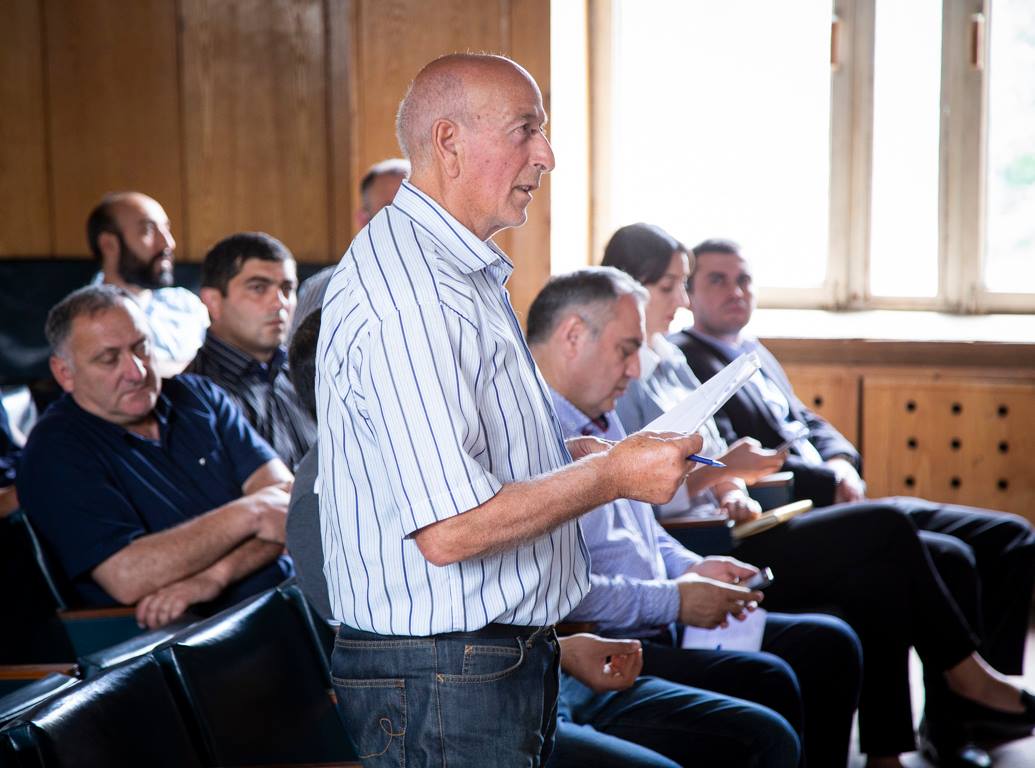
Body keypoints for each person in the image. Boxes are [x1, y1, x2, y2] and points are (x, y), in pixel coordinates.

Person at [315, 53, 703, 766]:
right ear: (449, 143)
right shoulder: (415, 295)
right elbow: (450, 528)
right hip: (444, 675)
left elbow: (467, 461)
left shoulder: (454, 269)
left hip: (479, 662)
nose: (546, 155)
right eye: (525, 129)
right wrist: (609, 477)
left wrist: (572, 461)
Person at [603, 222, 1035, 768]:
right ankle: (967, 678)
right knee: (886, 530)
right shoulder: (627, 375)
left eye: (682, 285)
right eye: (671, 287)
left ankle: (890, 752)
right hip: (708, 541)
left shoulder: (670, 357)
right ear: (629, 287)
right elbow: (644, 488)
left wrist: (732, 485)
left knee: (891, 572)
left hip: (741, 518)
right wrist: (727, 474)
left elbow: (719, 449)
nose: (682, 300)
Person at [288, 310, 799, 768]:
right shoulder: (331, 492)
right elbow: (400, 649)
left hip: (539, 664)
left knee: (768, 715)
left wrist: (563, 649)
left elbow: (500, 588)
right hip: (467, 694)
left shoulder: (442, 457)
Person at [527, 265, 862, 767]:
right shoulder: (535, 434)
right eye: (626, 350)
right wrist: (677, 600)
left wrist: (693, 568)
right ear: (573, 336)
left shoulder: (602, 414)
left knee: (831, 643)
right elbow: (561, 594)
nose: (635, 370)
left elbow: (646, 532)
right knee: (769, 701)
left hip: (658, 614)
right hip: (609, 642)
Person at [16, 285, 293, 630]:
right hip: (191, 636)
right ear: (64, 374)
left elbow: (291, 508)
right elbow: (128, 575)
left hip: (288, 596)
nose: (136, 372)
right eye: (109, 359)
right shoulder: (54, 451)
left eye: (141, 347)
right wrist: (251, 513)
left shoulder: (199, 395)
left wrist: (214, 576)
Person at [188, 232, 315, 471]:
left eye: (287, 288)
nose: (280, 302)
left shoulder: (306, 370)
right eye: (258, 288)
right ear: (213, 301)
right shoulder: (196, 393)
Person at [86, 191, 209, 376]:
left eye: (166, 229)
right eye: (149, 230)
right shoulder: (84, 317)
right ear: (108, 244)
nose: (168, 243)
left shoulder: (186, 303)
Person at [289, 158, 410, 339]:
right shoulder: (322, 289)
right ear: (363, 221)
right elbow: (298, 355)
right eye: (392, 209)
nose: (409, 219)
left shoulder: (454, 278)